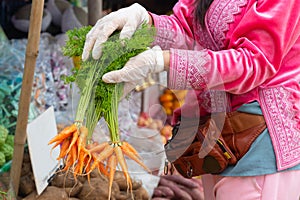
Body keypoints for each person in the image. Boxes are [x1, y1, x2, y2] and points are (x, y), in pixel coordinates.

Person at [81, 0, 300, 199]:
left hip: (260, 138)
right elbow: (186, 29)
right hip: (215, 135)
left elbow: (253, 63)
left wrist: (162, 60)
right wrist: (146, 23)